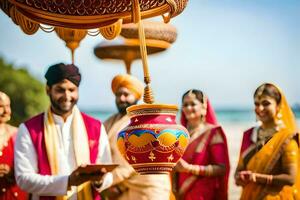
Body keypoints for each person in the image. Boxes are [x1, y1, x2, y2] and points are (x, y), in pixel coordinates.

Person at [14, 63, 113, 200]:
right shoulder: (29, 129)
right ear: (48, 90)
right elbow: (23, 179)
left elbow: (108, 173)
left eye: (72, 90)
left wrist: (99, 181)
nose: (67, 96)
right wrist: (68, 182)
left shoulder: (95, 127)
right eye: (60, 90)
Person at [102, 74, 172, 200]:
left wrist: (111, 183)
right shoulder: (110, 121)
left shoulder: (145, 121)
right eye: (118, 95)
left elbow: (136, 159)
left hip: (149, 189)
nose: (121, 98)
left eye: (126, 94)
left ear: (136, 97)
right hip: (122, 188)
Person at [235, 83, 300, 200]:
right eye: (256, 104)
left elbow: (290, 178)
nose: (260, 108)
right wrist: (239, 178)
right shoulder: (249, 134)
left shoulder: (287, 137)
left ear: (278, 106)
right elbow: (239, 171)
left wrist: (256, 177)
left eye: (266, 103)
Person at [173, 89, 230, 200]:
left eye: (193, 104)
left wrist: (189, 168)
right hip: (180, 193)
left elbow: (222, 168)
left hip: (204, 194)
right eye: (185, 105)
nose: (188, 108)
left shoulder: (213, 132)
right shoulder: (178, 134)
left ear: (204, 108)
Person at [0, 92, 27, 199]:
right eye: (0, 107)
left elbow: (31, 168)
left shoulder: (18, 134)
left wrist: (13, 172)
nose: (6, 111)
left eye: (8, 106)